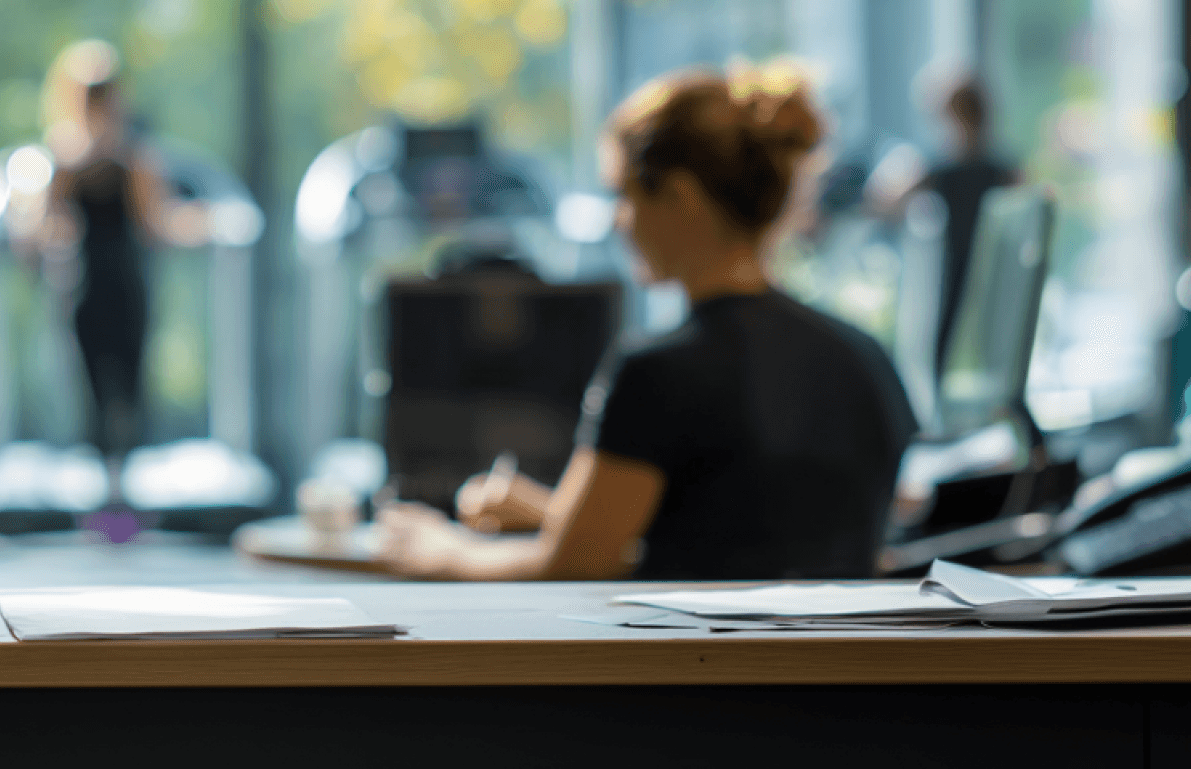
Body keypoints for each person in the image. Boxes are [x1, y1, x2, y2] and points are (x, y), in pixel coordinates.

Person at [376, 62, 917, 581]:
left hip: (700, 673)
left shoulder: (657, 373)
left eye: (624, 195)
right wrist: (556, 513)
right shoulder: (863, 359)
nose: (618, 220)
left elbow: (573, 564)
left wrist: (443, 552)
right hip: (840, 673)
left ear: (680, 197)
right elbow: (748, 542)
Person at [33, 41, 205, 480]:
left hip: (93, 288)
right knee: (120, 395)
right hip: (117, 286)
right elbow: (157, 224)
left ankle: (112, 497)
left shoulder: (79, 158)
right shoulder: (125, 156)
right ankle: (116, 496)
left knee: (104, 396)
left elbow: (49, 228)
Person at [868, 73, 1019, 378]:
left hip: (965, 277)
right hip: (986, 277)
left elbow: (884, 204)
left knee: (951, 357)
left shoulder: (945, 170)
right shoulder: (997, 169)